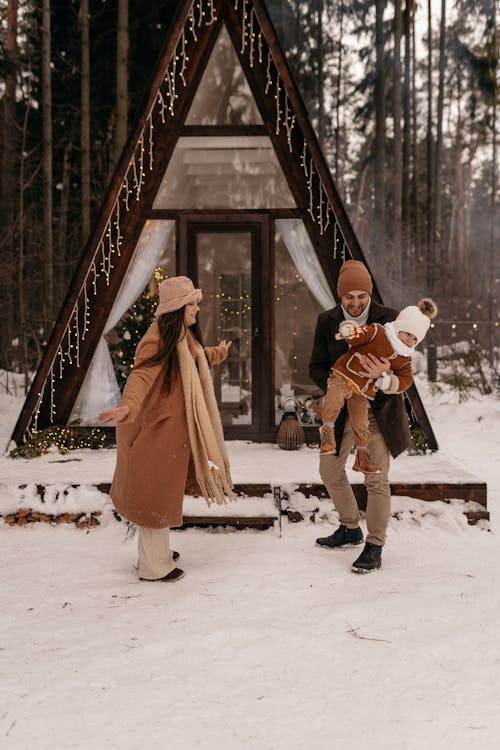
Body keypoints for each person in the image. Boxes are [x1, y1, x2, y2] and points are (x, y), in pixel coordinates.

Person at [97, 276, 235, 583]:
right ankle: (154, 567)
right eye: (192, 304)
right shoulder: (156, 338)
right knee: (153, 499)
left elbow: (197, 357)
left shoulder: (181, 336)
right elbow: (141, 375)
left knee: (160, 496)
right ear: (178, 308)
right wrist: (128, 405)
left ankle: (156, 554)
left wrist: (218, 353)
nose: (197, 309)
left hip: (170, 433)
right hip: (152, 432)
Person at [309, 259, 417, 573]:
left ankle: (375, 544)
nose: (355, 303)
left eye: (361, 297)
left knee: (376, 478)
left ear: (369, 295)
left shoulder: (391, 319)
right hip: (343, 410)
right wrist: (339, 382)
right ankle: (350, 527)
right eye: (348, 298)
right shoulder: (326, 321)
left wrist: (383, 372)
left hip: (378, 412)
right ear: (340, 298)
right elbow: (314, 366)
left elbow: (405, 369)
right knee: (329, 470)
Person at [319, 298, 438, 476]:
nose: (409, 341)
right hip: (344, 374)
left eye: (415, 339)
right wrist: (351, 332)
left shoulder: (405, 358)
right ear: (399, 327)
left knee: (361, 422)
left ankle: (361, 456)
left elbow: (406, 380)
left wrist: (388, 380)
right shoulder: (379, 332)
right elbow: (362, 334)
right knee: (334, 399)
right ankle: (327, 431)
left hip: (362, 389)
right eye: (407, 334)